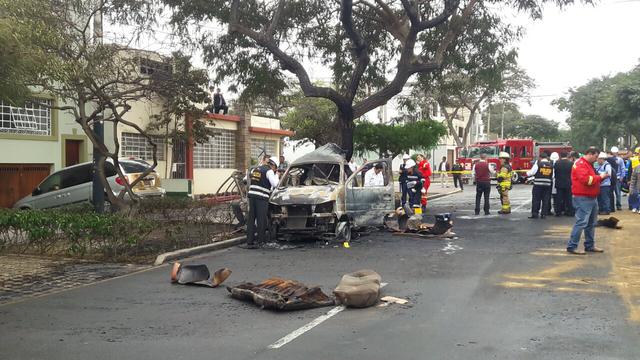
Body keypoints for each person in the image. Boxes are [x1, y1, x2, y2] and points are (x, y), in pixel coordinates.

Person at [567, 147, 608, 255]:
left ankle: (589, 245)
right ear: (590, 154)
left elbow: (590, 178)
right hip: (583, 197)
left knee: (591, 223)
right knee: (581, 222)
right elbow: (587, 180)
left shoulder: (586, 164)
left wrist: (599, 177)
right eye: (595, 156)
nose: (596, 159)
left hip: (590, 197)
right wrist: (600, 177)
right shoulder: (581, 164)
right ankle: (572, 246)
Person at [244, 158, 279, 249]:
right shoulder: (269, 171)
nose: (275, 170)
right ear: (274, 165)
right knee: (261, 219)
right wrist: (277, 176)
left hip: (252, 196)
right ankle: (260, 241)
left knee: (251, 219)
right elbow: (275, 184)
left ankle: (249, 241)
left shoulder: (256, 169)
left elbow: (245, 179)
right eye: (276, 168)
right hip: (261, 198)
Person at [527, 152, 553, 219]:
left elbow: (531, 173)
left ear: (540, 158)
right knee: (545, 199)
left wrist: (527, 173)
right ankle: (544, 214)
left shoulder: (538, 164)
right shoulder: (551, 165)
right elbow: (552, 175)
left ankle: (535, 213)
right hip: (547, 185)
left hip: (538, 184)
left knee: (536, 199)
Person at [553, 151, 574, 216]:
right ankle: (570, 211)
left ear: (560, 156)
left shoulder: (557, 163)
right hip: (568, 182)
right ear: (567, 156)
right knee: (568, 198)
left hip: (559, 182)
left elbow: (555, 173)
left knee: (558, 198)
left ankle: (558, 212)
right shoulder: (571, 163)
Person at [610, 147, 625, 211]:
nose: (614, 153)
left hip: (618, 178)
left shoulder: (620, 160)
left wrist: (622, 176)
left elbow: (622, 168)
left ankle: (618, 205)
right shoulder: (609, 159)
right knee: (610, 193)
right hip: (610, 178)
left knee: (618, 193)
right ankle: (611, 206)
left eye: (615, 152)